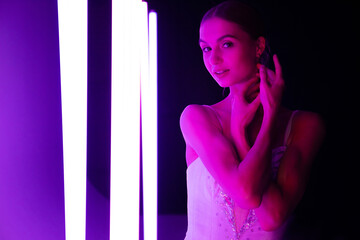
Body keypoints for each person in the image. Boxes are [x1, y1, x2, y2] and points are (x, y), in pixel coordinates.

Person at [179, 1, 325, 239]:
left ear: (258, 46)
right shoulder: (198, 118)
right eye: (206, 49)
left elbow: (272, 218)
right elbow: (246, 194)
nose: (214, 59)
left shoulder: (304, 125)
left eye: (226, 44)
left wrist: (263, 124)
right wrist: (239, 131)